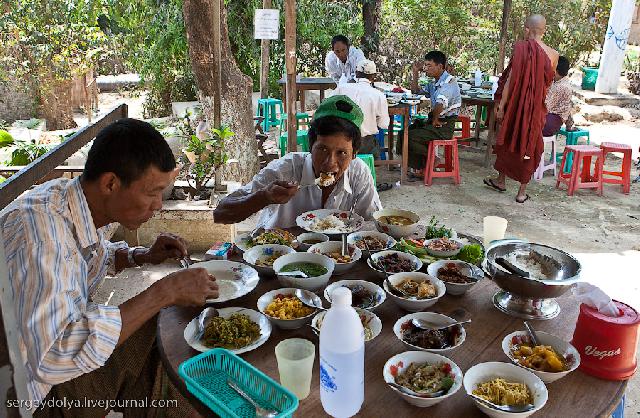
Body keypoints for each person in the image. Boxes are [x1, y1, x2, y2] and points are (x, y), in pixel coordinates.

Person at [0, 118, 218, 417]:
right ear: (111, 183)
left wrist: (141, 256)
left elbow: (86, 258)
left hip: (36, 362)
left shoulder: (72, 200)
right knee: (165, 331)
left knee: (162, 336)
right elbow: (53, 355)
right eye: (152, 192)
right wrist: (163, 292)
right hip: (27, 394)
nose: (158, 206)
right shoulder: (40, 237)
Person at [214, 95, 382, 228]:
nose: (330, 163)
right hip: (274, 259)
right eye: (322, 149)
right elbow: (221, 213)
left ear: (354, 155)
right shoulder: (284, 170)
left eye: (342, 153)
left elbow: (374, 222)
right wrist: (264, 197)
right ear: (310, 147)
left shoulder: (358, 172)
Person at [484, 14, 558, 203]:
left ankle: (501, 180)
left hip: (515, 106)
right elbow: (547, 85)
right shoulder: (553, 55)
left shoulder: (520, 48)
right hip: (535, 110)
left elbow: (510, 81)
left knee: (508, 138)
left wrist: (501, 106)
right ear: (545, 30)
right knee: (529, 145)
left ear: (526, 29)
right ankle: (521, 193)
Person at [396, 50, 462, 174]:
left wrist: (435, 118)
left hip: (444, 125)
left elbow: (440, 103)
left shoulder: (449, 82)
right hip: (435, 121)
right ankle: (422, 166)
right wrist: (415, 72)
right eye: (425, 65)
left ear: (440, 66)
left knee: (409, 137)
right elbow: (415, 91)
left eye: (429, 65)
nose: (425, 69)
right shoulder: (434, 83)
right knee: (403, 134)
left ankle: (432, 160)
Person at [332, 59, 390, 160]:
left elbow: (327, 105)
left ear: (357, 73)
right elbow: (384, 124)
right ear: (373, 76)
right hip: (363, 144)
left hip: (340, 141)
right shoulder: (379, 95)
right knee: (373, 144)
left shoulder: (342, 88)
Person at [543, 56, 573, 136]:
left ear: (555, 70)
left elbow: (546, 106)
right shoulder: (556, 81)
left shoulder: (561, 86)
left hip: (552, 121)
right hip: (550, 117)